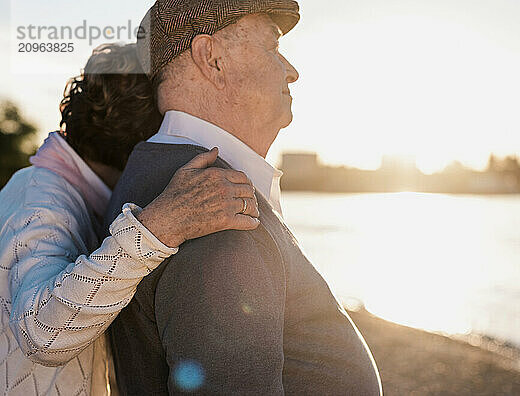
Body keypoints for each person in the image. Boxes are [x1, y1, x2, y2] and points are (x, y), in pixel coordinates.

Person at [105, 1, 383, 394]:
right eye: (272, 46)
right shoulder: (212, 208)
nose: (292, 71)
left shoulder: (168, 175)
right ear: (212, 59)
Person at [0, 43, 260, 395]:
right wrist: (162, 226)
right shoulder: (41, 203)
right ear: (147, 142)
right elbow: (42, 335)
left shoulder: (44, 186)